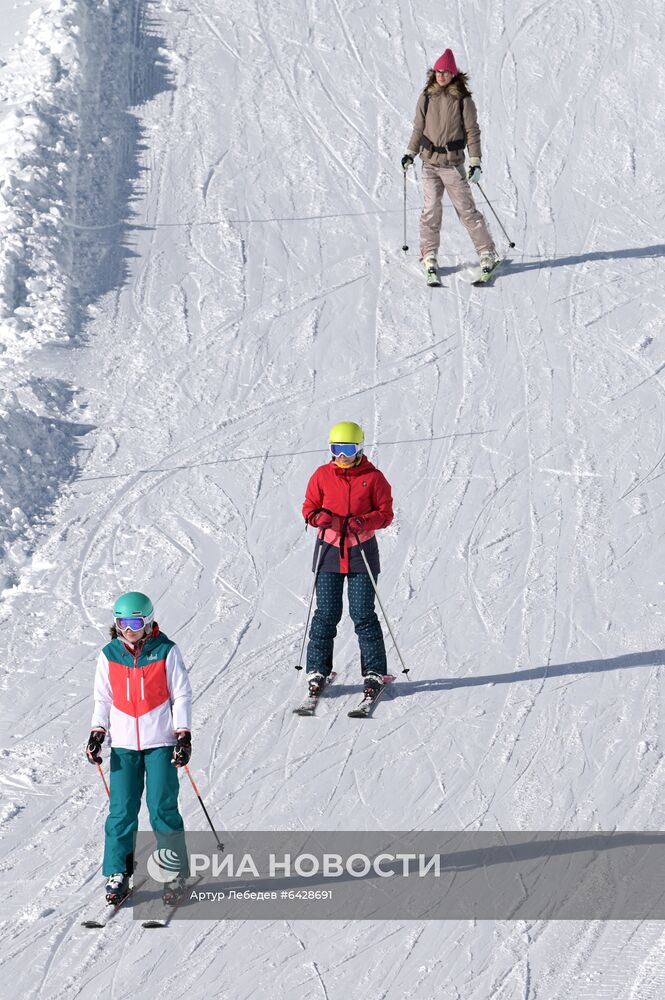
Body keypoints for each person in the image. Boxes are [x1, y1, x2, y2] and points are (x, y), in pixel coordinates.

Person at [85, 591, 192, 905]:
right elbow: (102, 699)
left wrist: (183, 735)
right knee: (121, 812)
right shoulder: (108, 655)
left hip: (160, 742)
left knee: (162, 809)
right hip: (124, 747)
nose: (128, 629)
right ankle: (118, 873)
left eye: (134, 622)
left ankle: (173, 874)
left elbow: (181, 695)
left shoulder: (166, 652)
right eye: (121, 622)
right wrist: (97, 733)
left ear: (147, 621)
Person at [302, 421, 394, 701]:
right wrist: (317, 518)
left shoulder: (374, 478)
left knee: (363, 614)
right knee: (326, 614)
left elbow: (385, 513)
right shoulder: (321, 475)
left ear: (360, 448)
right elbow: (308, 507)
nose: (342, 456)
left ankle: (374, 671)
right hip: (329, 553)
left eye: (348, 449)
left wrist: (364, 521)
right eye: (336, 449)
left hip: (360, 553)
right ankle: (318, 670)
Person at [401, 48, 498, 279]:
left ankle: (487, 253)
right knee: (430, 211)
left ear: (454, 74)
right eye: (438, 71)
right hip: (429, 165)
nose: (441, 75)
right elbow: (418, 128)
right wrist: (409, 153)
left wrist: (475, 162)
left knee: (466, 211)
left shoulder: (463, 101)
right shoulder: (426, 97)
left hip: (452, 165)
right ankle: (429, 255)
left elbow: (473, 132)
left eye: (445, 72)